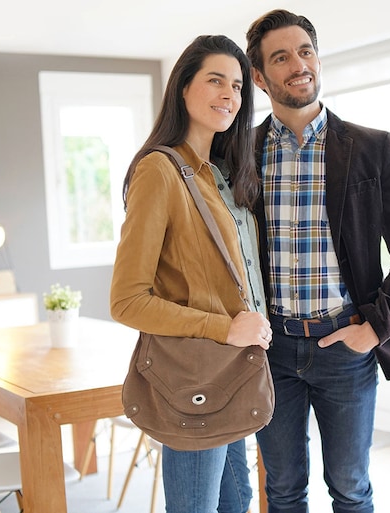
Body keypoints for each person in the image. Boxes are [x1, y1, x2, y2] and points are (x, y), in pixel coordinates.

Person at [244, 9, 390, 513]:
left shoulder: (372, 147)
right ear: (260, 77)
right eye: (281, 57)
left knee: (350, 489)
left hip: (346, 346)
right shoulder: (241, 152)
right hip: (271, 351)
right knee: (282, 489)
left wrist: (376, 328)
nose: (298, 64)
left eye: (305, 51)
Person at [109, 34, 273, 513]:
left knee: (236, 502)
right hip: (196, 377)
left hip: (235, 370)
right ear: (183, 87)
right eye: (215, 80)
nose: (229, 94)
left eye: (239, 86)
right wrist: (225, 327)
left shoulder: (220, 173)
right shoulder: (160, 171)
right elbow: (127, 300)